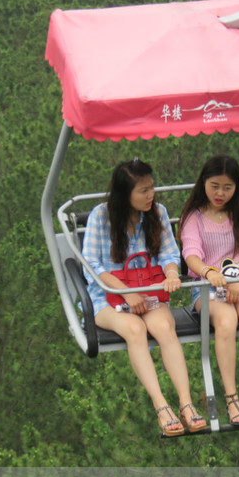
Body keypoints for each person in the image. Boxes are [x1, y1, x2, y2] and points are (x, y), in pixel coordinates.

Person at [82, 159, 206, 436]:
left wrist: (172, 274)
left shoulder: (157, 213)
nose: (151, 195)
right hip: (109, 296)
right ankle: (162, 406)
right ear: (124, 194)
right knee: (135, 329)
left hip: (148, 290)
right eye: (143, 190)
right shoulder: (101, 217)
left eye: (152, 188)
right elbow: (91, 264)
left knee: (164, 327)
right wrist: (125, 292)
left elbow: (169, 254)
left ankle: (186, 403)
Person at [179, 155, 239, 425]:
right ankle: (231, 399)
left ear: (236, 187)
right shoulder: (193, 216)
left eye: (228, 188)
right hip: (208, 285)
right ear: (204, 183)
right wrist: (209, 273)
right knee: (226, 321)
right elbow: (191, 255)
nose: (220, 194)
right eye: (215, 186)